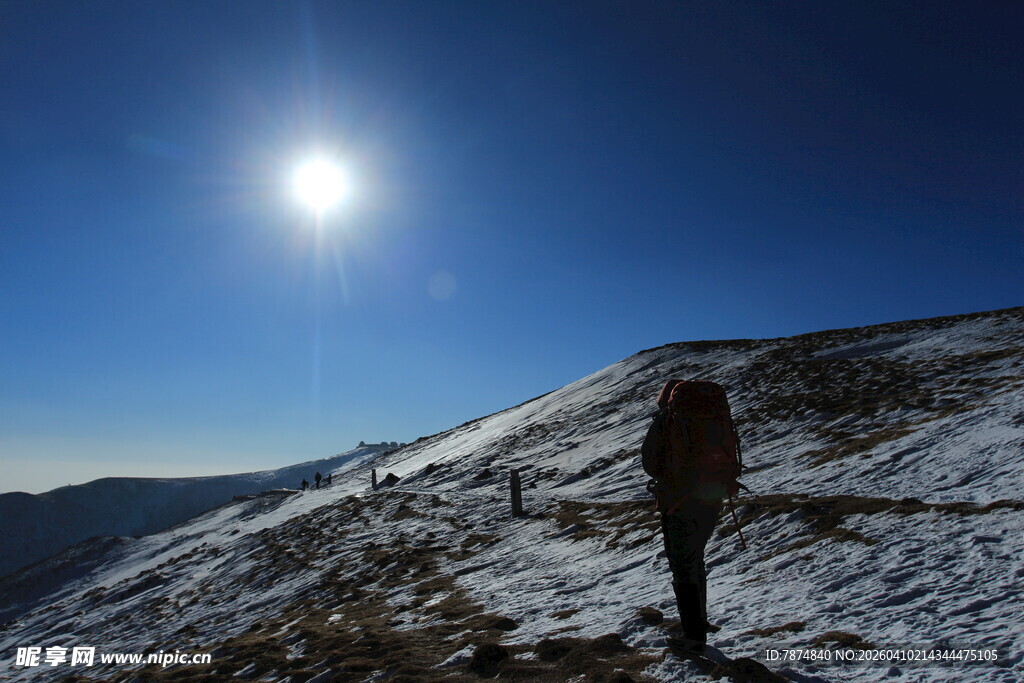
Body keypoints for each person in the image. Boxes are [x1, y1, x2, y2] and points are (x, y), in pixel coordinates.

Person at [642, 379, 734, 655]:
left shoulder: (669, 420)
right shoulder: (714, 417)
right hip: (712, 496)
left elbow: (651, 462)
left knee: (682, 568)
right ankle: (699, 624)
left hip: (679, 501)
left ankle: (693, 637)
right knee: (696, 560)